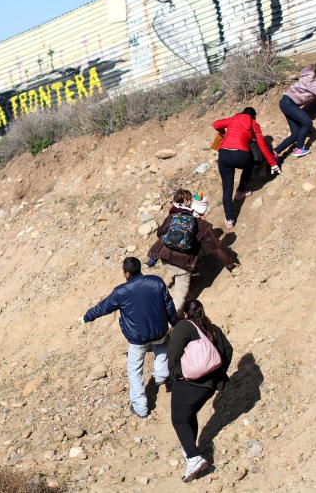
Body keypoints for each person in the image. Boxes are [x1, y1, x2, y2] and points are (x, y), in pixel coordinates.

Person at [81, 257, 179, 418]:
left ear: (126, 273)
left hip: (137, 337)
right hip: (160, 330)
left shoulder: (121, 292)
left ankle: (140, 407)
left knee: (135, 370)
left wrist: (87, 317)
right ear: (140, 268)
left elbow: (103, 307)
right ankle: (161, 375)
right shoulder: (156, 282)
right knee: (161, 346)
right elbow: (169, 305)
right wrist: (176, 323)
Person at [167, 299, 233, 483]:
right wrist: (217, 373)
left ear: (186, 313)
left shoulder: (184, 327)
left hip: (190, 384)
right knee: (189, 415)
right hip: (210, 386)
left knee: (179, 419)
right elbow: (227, 350)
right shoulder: (212, 328)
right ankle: (191, 448)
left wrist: (178, 375)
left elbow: (172, 355)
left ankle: (193, 457)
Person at [147, 191, 239, 310]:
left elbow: (159, 233)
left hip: (164, 256)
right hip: (182, 265)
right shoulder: (204, 226)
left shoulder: (174, 216)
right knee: (180, 296)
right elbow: (216, 248)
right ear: (203, 210)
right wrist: (230, 264)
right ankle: (172, 323)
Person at [211, 107, 280, 229]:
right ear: (254, 116)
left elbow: (216, 124)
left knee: (227, 187)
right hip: (241, 156)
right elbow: (262, 146)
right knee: (250, 164)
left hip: (224, 155)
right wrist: (273, 164)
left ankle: (229, 219)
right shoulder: (254, 124)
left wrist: (223, 131)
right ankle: (241, 191)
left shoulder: (233, 118)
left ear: (242, 113)